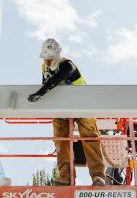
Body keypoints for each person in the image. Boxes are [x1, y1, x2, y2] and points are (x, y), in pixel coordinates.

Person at [27, 38, 106, 186]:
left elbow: (57, 79)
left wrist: (40, 93)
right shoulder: (44, 67)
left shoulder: (68, 66)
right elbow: (46, 82)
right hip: (61, 109)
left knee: (90, 139)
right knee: (61, 141)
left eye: (50, 59)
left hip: (83, 106)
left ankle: (98, 176)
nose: (47, 62)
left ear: (56, 55)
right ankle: (66, 177)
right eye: (46, 59)